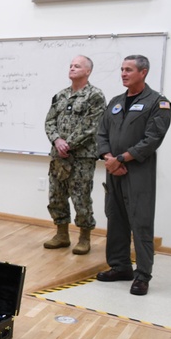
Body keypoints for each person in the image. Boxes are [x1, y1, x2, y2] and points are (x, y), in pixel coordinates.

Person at [95, 55, 171, 296]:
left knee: (141, 222)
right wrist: (109, 158)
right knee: (115, 218)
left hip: (137, 171)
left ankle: (142, 276)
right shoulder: (115, 102)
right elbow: (101, 133)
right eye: (122, 69)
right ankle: (120, 267)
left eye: (129, 70)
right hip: (113, 170)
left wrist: (122, 159)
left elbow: (152, 140)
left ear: (144, 72)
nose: (123, 74)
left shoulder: (158, 103)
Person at [43, 55, 106, 255]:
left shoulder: (95, 96)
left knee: (81, 198)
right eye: (70, 65)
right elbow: (49, 121)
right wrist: (57, 141)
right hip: (58, 156)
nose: (72, 68)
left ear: (88, 71)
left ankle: (84, 238)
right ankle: (62, 234)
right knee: (56, 196)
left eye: (77, 66)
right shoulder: (60, 96)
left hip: (81, 157)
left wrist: (68, 144)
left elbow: (92, 126)